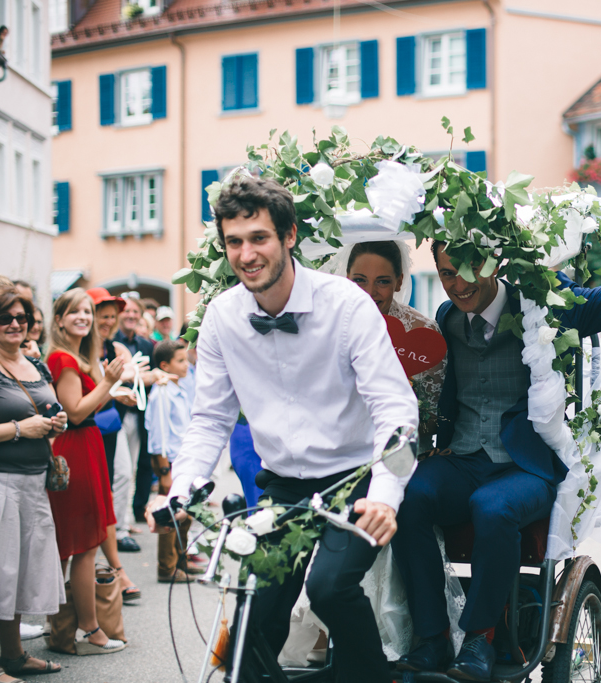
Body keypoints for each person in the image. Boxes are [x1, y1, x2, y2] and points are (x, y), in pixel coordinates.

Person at [391, 172, 601, 681]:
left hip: (524, 467)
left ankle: (479, 640)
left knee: (492, 507)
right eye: (444, 272)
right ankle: (432, 638)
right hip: (462, 458)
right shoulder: (447, 319)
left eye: (464, 268)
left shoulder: (543, 301)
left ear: (491, 260)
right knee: (408, 499)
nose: (456, 283)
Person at [147, 175, 417, 683]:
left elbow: (395, 410)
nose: (246, 254)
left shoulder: (348, 306)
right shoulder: (222, 318)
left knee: (330, 587)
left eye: (259, 238)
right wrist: (180, 488)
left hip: (355, 480)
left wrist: (384, 496)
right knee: (253, 611)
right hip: (284, 486)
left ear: (289, 236)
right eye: (234, 242)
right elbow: (209, 418)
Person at [0, 286, 67, 679]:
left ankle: (14, 655)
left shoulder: (36, 365)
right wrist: (20, 428)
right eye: (6, 318)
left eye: (23, 318)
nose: (16, 324)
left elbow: (48, 411)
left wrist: (56, 423)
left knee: (19, 572)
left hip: (34, 484)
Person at [46, 288, 127, 655]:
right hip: (76, 449)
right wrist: (109, 383)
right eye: (75, 311)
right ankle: (88, 629)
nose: (84, 316)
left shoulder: (78, 357)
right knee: (82, 544)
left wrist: (114, 388)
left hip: (88, 446)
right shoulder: (63, 358)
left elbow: (89, 405)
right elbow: (76, 412)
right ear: (59, 319)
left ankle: (66, 629)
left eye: (87, 311)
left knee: (82, 543)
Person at [337, 239, 446, 454]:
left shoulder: (423, 332)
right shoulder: (329, 324)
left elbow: (434, 419)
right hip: (340, 451)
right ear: (347, 278)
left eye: (382, 282)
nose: (369, 291)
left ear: (398, 282)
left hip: (402, 451)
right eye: (360, 280)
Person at [84, 287, 143, 603]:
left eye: (111, 316)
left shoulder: (112, 346)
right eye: (101, 315)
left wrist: (126, 381)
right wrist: (114, 390)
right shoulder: (79, 350)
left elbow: (129, 371)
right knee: (95, 499)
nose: (106, 321)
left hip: (108, 425)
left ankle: (114, 568)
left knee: (118, 480)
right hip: (86, 429)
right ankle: (98, 573)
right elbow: (80, 403)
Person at [144, 341, 195, 583]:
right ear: (164, 365)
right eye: (180, 361)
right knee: (169, 515)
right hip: (170, 462)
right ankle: (167, 567)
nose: (186, 365)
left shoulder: (178, 389)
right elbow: (159, 435)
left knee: (185, 514)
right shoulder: (163, 391)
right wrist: (164, 470)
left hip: (182, 461)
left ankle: (181, 560)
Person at [113, 295, 155, 523]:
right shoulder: (111, 344)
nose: (130, 316)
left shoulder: (146, 345)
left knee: (139, 465)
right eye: (126, 311)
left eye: (135, 312)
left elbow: (155, 377)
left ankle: (133, 515)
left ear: (140, 316)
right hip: (115, 415)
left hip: (140, 414)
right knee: (121, 470)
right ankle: (118, 522)